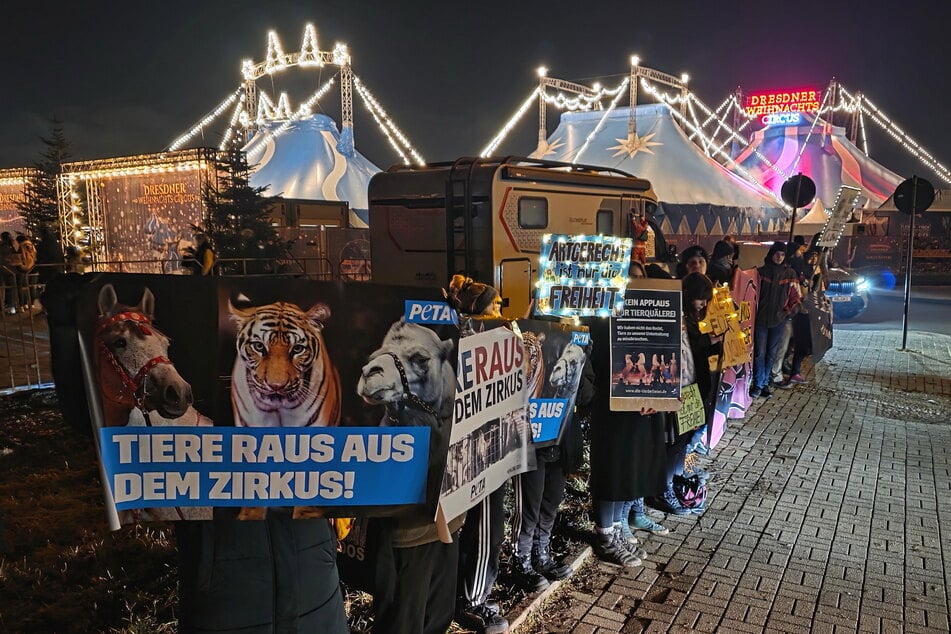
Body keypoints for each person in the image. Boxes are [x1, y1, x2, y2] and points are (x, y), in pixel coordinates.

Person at [446, 274, 509, 634]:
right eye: (496, 305)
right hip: (481, 454)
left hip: (484, 449)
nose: (502, 310)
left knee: (480, 529)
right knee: (487, 529)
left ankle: (470, 594)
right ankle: (473, 602)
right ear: (478, 311)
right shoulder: (475, 344)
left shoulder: (491, 341)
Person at [751, 242, 799, 399]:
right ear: (771, 254)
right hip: (760, 320)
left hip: (778, 321)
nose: (779, 257)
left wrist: (787, 313)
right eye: (777, 253)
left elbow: (795, 297)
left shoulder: (790, 274)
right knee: (759, 353)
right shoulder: (760, 273)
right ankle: (758, 384)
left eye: (783, 254)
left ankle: (764, 384)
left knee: (771, 354)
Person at [15, 234, 38, 310]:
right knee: (32, 287)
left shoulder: (20, 247)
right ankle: (32, 304)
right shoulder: (33, 246)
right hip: (34, 269)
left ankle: (23, 305)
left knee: (22, 288)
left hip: (23, 270)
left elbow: (18, 258)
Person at [0, 232, 17, 314]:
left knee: (5, 289)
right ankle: (12, 307)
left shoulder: (2, 246)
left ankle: (7, 307)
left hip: (4, 269)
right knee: (11, 289)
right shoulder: (13, 245)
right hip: (12, 269)